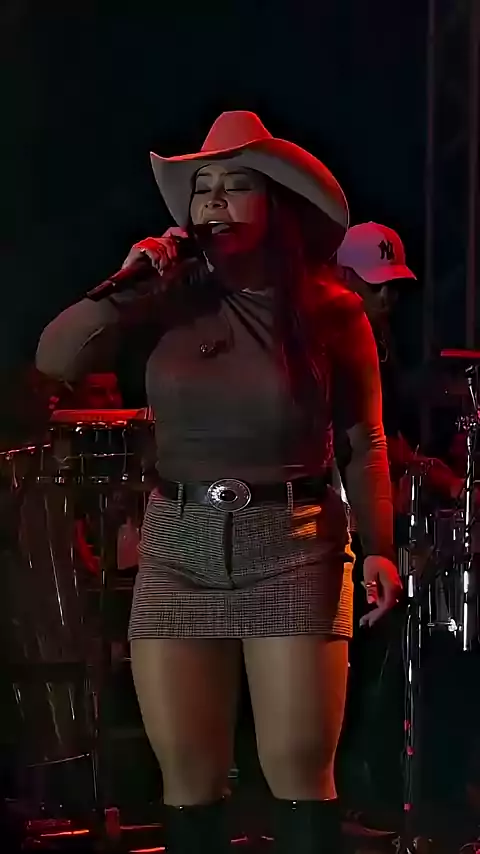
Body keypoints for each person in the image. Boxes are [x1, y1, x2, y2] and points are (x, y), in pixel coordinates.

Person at [35, 111, 401, 854]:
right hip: (178, 540)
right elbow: (55, 358)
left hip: (293, 539)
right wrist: (124, 285)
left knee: (297, 767)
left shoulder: (331, 310)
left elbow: (364, 441)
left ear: (276, 205)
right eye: (203, 189)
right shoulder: (165, 296)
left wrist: (380, 547)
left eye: (237, 186)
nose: (215, 202)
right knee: (189, 778)